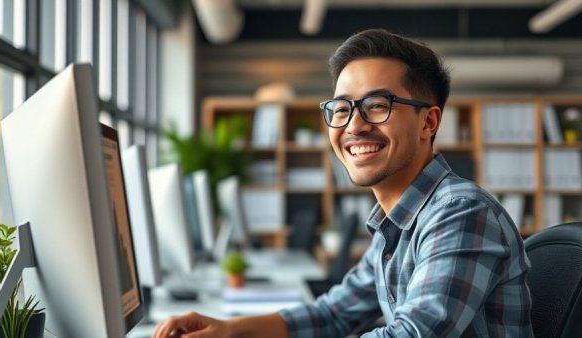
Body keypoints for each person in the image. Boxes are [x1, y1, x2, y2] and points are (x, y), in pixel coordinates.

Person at [152, 28, 533, 338]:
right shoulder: (393, 223)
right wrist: (231, 331)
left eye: (378, 105)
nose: (353, 125)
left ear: (428, 123)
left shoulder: (459, 211)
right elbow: (332, 314)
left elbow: (412, 335)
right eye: (341, 108)